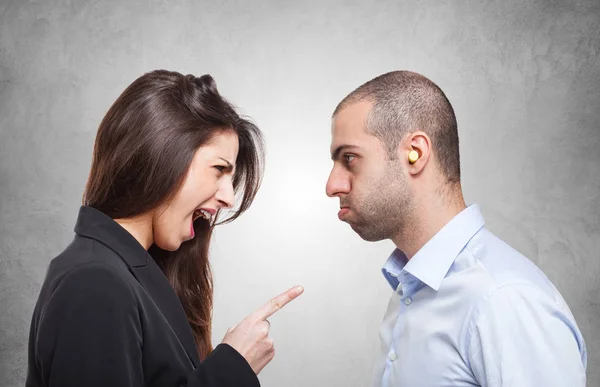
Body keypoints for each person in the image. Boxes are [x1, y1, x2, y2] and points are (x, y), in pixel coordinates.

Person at [26, 70, 303, 387]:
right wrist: (231, 368)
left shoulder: (125, 273)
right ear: (163, 155)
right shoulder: (94, 282)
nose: (228, 197)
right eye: (218, 169)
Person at [325, 70, 587, 386]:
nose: (332, 185)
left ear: (415, 154)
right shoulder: (409, 292)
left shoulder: (504, 301)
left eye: (350, 158)